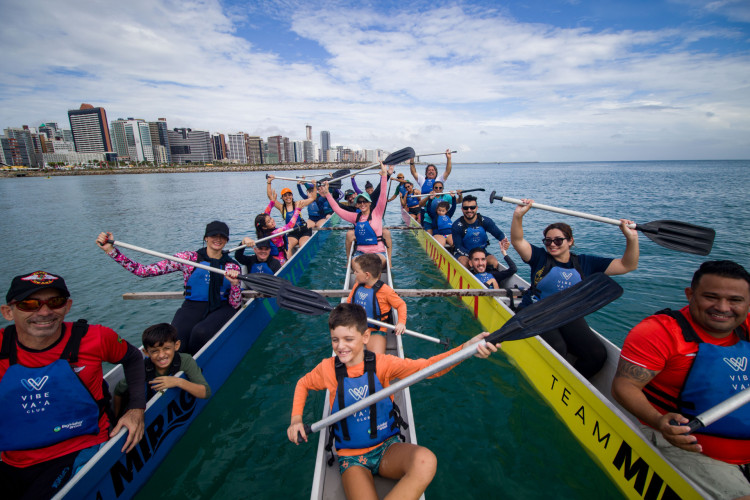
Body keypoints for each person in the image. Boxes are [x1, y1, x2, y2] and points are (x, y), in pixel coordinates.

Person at [287, 303, 499, 499]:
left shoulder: (383, 364)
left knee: (426, 461)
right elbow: (303, 384)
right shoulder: (327, 369)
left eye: (348, 339)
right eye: (335, 339)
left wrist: (465, 350)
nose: (340, 346)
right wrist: (296, 419)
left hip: (388, 447)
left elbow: (427, 368)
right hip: (352, 459)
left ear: (365, 336)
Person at [0, 271, 146, 499]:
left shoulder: (97, 337)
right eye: (30, 304)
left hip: (79, 446)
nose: (45, 312)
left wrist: (136, 408)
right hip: (13, 457)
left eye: (55, 302)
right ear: (8, 312)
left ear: (67, 306)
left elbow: (133, 357)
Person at [612, 260, 750, 500]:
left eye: (735, 300)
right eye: (711, 297)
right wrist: (659, 419)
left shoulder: (745, 327)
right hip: (688, 445)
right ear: (690, 294)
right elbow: (625, 386)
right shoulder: (659, 332)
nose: (723, 307)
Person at [511, 198, 638, 378]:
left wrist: (631, 238)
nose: (552, 244)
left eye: (558, 240)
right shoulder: (539, 257)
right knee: (558, 348)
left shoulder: (586, 262)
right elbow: (517, 240)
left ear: (570, 241)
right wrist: (518, 215)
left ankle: (572, 383)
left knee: (597, 355)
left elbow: (627, 265)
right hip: (537, 311)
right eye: (548, 241)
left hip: (567, 313)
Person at [96, 221, 242, 355]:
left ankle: (195, 365)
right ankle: (177, 368)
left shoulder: (232, 266)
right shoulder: (187, 258)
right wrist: (111, 251)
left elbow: (235, 303)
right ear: (206, 238)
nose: (218, 239)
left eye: (222, 237)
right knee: (175, 340)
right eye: (213, 235)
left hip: (221, 307)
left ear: (227, 240)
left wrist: (235, 284)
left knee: (201, 333)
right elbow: (143, 271)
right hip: (192, 306)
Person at [114, 323, 211, 417]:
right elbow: (119, 390)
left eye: (167, 348)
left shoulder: (185, 360)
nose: (161, 355)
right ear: (146, 352)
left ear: (176, 345)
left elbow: (205, 392)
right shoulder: (140, 370)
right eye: (155, 351)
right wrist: (116, 417)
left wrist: (178, 381)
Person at [323, 162, 389, 268]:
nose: (362, 204)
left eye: (365, 201)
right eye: (360, 202)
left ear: (369, 202)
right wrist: (327, 193)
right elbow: (337, 209)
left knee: (375, 265)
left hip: (378, 253)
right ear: (357, 204)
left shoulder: (377, 212)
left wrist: (385, 175)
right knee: (353, 264)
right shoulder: (355, 217)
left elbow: (383, 194)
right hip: (361, 253)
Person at [346, 253, 407, 354]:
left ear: (367, 275)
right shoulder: (357, 286)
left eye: (356, 271)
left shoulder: (386, 291)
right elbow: (349, 303)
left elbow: (401, 305)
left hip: (376, 330)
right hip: (356, 326)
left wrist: (401, 322)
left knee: (376, 358)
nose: (354, 273)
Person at [452, 195, 509, 269]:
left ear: (476, 208)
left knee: (494, 262)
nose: (469, 210)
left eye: (472, 207)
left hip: (481, 253)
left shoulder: (486, 221)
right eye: (466, 208)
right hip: (463, 253)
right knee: (465, 263)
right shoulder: (456, 226)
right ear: (462, 209)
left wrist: (504, 241)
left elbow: (499, 234)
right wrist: (473, 257)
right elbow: (458, 247)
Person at [266, 175, 317, 258]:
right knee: (287, 248)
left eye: (289, 195)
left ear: (292, 196)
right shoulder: (282, 208)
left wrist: (314, 185)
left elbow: (313, 198)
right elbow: (270, 197)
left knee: (303, 246)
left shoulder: (298, 203)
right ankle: (288, 264)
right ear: (282, 197)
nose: (288, 197)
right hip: (292, 232)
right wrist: (269, 182)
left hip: (303, 230)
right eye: (285, 195)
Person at [256, 199, 304, 265]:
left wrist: (272, 202)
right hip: (280, 261)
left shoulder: (263, 232)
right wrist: (298, 210)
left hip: (271, 259)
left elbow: (266, 214)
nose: (272, 221)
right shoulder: (276, 233)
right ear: (264, 226)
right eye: (269, 222)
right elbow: (290, 225)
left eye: (270, 218)